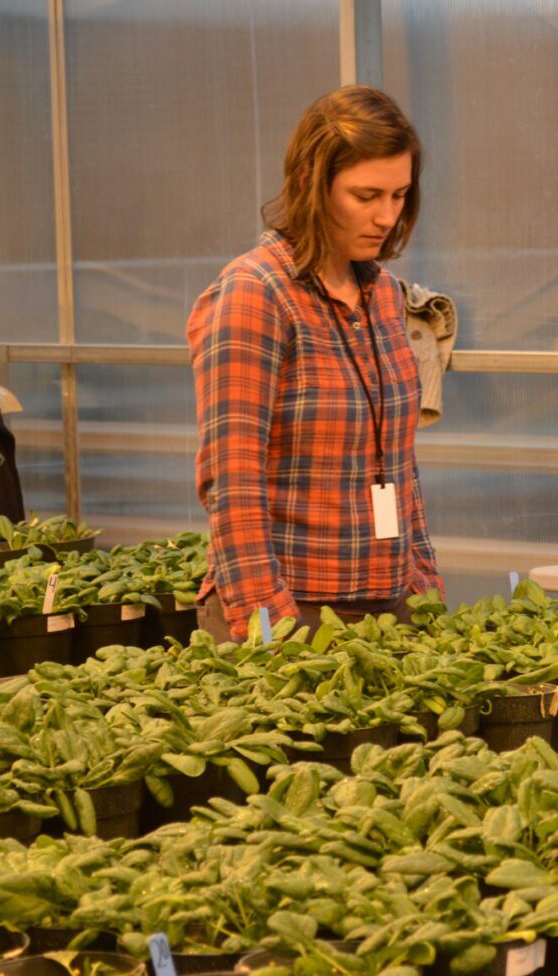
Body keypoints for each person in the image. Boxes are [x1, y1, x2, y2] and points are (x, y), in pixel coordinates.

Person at [190, 86, 442, 643]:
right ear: (309, 181)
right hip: (291, 610)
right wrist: (269, 619)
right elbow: (231, 478)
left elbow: (397, 462)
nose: (386, 216)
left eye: (399, 195)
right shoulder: (257, 293)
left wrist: (423, 582)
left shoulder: (382, 295)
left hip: (387, 608)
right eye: (366, 195)